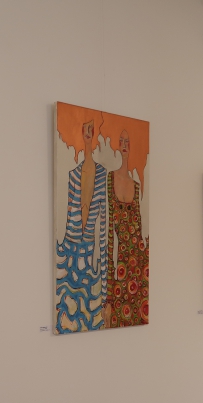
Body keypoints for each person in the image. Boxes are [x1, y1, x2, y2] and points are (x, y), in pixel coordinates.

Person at [55, 106, 108, 333]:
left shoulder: (102, 175)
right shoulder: (73, 176)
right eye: (85, 128)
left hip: (89, 266)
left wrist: (105, 291)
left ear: (94, 133)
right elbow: (67, 222)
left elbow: (103, 232)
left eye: (91, 129)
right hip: (69, 262)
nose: (88, 133)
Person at [102, 130, 149, 328]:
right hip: (118, 264)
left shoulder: (136, 187)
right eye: (121, 141)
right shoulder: (110, 179)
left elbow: (139, 230)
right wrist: (108, 294)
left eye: (127, 141)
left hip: (136, 265)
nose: (124, 145)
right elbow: (109, 233)